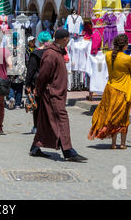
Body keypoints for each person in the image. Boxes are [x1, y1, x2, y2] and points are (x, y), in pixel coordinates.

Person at [30, 29, 88, 162]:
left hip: (56, 93)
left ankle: (35, 147)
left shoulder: (57, 52)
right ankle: (68, 151)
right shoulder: (51, 54)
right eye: (67, 39)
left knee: (45, 120)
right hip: (52, 93)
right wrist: (38, 90)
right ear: (65, 39)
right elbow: (43, 75)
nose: (68, 41)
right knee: (61, 120)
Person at [88, 34, 131, 150]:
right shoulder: (127, 58)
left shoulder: (108, 55)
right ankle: (122, 143)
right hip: (124, 90)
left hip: (110, 88)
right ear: (124, 45)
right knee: (123, 117)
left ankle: (113, 143)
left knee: (112, 116)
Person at [25, 31, 52, 134]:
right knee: (47, 105)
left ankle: (36, 126)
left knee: (36, 105)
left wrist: (27, 85)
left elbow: (30, 70)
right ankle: (47, 126)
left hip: (37, 83)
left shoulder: (35, 53)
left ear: (39, 41)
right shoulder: (51, 53)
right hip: (49, 82)